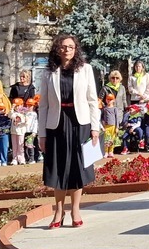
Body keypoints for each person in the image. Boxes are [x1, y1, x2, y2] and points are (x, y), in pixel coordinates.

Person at [38, 34, 101, 229]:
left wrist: (94, 128)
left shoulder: (86, 70)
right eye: (63, 46)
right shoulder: (49, 72)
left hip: (79, 123)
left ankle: (75, 210)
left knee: (77, 169)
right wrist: (42, 134)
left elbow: (92, 100)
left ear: (76, 49)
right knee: (58, 169)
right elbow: (44, 106)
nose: (67, 50)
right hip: (56, 124)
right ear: (57, 49)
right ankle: (58, 211)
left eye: (71, 47)